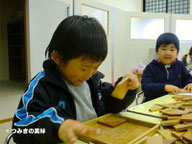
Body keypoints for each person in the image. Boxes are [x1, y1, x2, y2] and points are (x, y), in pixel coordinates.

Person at [12, 15, 139, 144]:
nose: (90, 74)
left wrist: (125, 90)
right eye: (84, 68)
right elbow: (20, 129)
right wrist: (58, 127)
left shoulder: (93, 82)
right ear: (58, 58)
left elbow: (112, 107)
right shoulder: (41, 86)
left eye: (96, 67)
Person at [141, 32, 192, 103]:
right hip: (152, 103)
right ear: (156, 51)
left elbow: (187, 78)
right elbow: (145, 86)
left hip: (174, 102)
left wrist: (189, 83)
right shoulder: (150, 68)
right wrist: (164, 87)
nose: (168, 53)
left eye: (172, 50)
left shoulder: (179, 65)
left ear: (177, 53)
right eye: (164, 49)